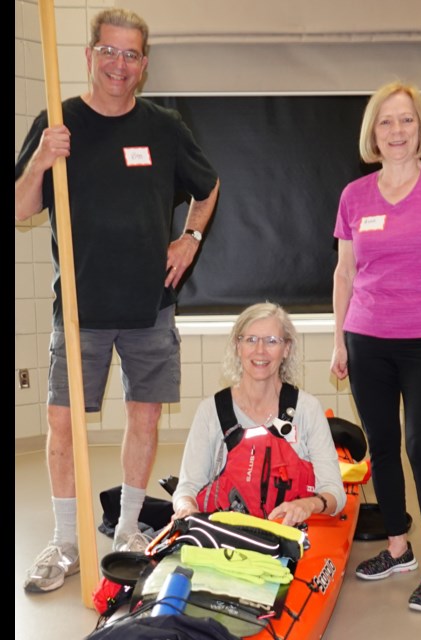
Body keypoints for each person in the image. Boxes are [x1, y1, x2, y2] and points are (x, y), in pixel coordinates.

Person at [15, 8, 220, 593]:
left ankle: (129, 529)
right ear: (89, 55)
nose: (119, 64)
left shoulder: (165, 127)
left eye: (131, 55)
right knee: (61, 429)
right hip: (78, 309)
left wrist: (191, 238)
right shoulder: (57, 122)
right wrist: (41, 158)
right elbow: (20, 207)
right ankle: (63, 543)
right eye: (109, 51)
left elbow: (209, 188)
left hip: (149, 309)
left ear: (144, 65)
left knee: (144, 418)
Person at [330, 81, 421, 612]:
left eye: (407, 120)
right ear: (373, 131)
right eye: (386, 121)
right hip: (367, 337)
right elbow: (345, 272)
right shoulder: (355, 196)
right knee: (382, 446)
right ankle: (397, 545)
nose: (397, 131)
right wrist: (339, 340)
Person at [171, 303, 346, 526]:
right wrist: (186, 508)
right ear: (238, 346)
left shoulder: (308, 409)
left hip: (291, 535)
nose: (260, 350)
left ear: (286, 349)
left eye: (272, 341)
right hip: (226, 534)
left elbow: (335, 494)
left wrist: (308, 504)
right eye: (251, 340)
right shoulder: (210, 411)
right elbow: (186, 488)